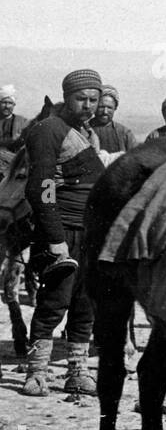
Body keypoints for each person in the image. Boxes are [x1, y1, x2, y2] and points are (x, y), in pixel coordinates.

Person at [21, 69, 108, 396]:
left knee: (86, 304)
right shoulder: (48, 130)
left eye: (94, 99)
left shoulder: (86, 133)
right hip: (62, 231)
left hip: (91, 232)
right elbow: (40, 188)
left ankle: (77, 371)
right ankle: (37, 373)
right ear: (66, 97)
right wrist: (55, 239)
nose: (88, 105)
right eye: (81, 98)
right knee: (53, 303)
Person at [92, 85, 138, 153]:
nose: (105, 111)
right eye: (101, 107)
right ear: (95, 106)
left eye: (109, 107)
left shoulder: (125, 133)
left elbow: (135, 158)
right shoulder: (84, 130)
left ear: (115, 108)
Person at [0, 84, 29, 168]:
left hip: (15, 162)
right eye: (4, 102)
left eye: (10, 103)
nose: (7, 106)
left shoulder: (23, 122)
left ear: (14, 105)